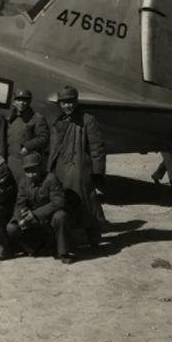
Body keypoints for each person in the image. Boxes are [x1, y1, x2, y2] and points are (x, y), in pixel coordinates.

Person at [48, 85, 106, 247]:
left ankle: (94, 238)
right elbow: (54, 149)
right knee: (66, 204)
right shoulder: (59, 122)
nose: (68, 106)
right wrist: (50, 170)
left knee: (87, 203)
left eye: (71, 102)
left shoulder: (88, 120)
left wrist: (97, 173)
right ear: (60, 104)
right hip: (61, 169)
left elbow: (97, 148)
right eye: (64, 103)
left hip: (80, 170)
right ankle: (70, 239)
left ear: (76, 101)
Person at [6, 153, 72, 263]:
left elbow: (59, 202)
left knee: (61, 216)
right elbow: (19, 203)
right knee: (11, 228)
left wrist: (36, 214)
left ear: (40, 168)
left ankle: (63, 252)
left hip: (49, 217)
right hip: (32, 219)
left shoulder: (51, 179)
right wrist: (21, 218)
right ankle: (34, 248)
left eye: (33, 170)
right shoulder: (24, 182)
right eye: (27, 171)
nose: (31, 174)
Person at [6, 88, 49, 185]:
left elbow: (44, 138)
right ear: (14, 102)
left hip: (26, 163)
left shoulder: (37, 118)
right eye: (18, 100)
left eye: (24, 100)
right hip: (10, 163)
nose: (21, 103)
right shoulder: (11, 119)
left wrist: (28, 146)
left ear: (29, 101)